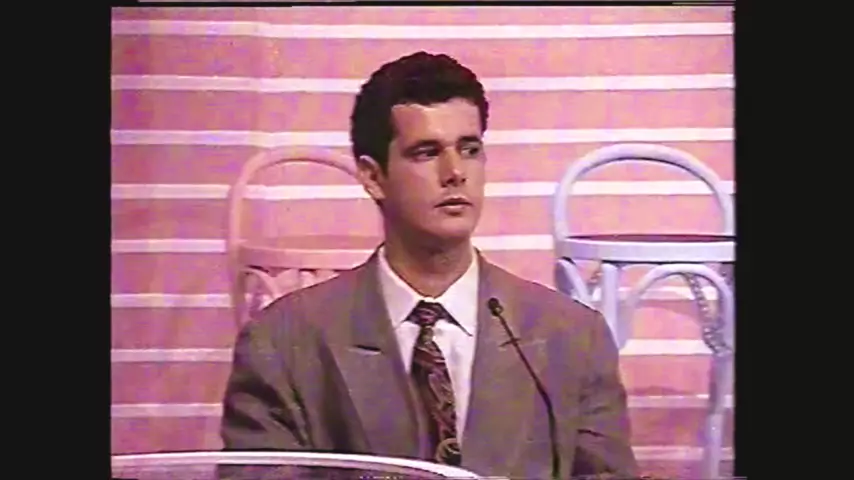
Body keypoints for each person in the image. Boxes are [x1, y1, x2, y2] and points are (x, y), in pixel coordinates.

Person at [219, 51, 639, 479]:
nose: (455, 172)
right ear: (372, 176)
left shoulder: (574, 338)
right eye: (426, 153)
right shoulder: (283, 343)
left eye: (469, 150)